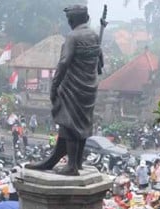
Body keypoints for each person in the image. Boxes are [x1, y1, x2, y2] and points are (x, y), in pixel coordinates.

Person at [25, 5, 103, 176]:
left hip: (72, 88)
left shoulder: (73, 37)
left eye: (70, 19)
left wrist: (54, 86)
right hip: (89, 88)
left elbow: (64, 62)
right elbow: (100, 63)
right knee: (82, 124)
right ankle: (76, 161)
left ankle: (72, 166)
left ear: (75, 19)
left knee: (69, 124)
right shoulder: (94, 36)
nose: (68, 22)